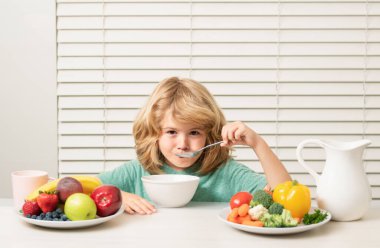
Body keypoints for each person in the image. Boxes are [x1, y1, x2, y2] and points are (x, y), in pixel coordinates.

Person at [98, 77, 291, 215]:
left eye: (194, 133)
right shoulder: (137, 171)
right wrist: (120, 196)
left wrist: (257, 143)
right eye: (171, 132)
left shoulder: (227, 173)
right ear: (154, 133)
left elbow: (287, 200)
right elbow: (78, 189)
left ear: (209, 135)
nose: (182, 145)